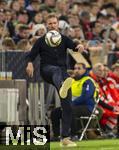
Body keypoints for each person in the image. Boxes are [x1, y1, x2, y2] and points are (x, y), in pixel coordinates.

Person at [26, 13, 84, 147]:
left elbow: (75, 47)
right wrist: (29, 63)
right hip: (47, 71)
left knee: (67, 106)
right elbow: (31, 55)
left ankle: (65, 138)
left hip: (62, 74)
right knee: (57, 71)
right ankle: (63, 85)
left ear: (58, 24)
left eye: (54, 23)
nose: (52, 25)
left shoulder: (64, 39)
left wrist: (79, 46)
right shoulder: (40, 40)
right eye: (50, 23)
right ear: (47, 25)